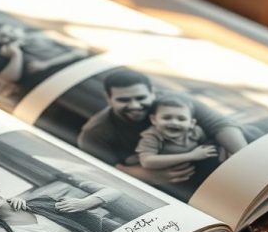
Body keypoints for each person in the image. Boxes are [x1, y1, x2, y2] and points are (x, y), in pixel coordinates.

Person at [77, 68, 248, 187]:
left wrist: (241, 156)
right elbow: (99, 170)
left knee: (247, 135)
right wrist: (141, 174)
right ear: (108, 98)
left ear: (152, 92)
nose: (135, 105)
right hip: (168, 178)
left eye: (140, 97)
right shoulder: (95, 131)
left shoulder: (173, 101)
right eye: (124, 100)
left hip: (211, 155)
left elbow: (220, 123)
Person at [130, 94, 221, 196]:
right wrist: (191, 155)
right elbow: (147, 162)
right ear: (154, 120)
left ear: (191, 123)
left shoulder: (196, 131)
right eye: (167, 118)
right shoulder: (151, 137)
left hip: (190, 173)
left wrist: (221, 147)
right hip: (162, 180)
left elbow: (207, 143)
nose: (174, 122)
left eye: (181, 119)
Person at [0, 22, 89, 93]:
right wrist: (16, 54)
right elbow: (9, 79)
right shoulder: (13, 52)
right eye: (3, 37)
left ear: (18, 29)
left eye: (11, 31)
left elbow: (80, 51)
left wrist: (47, 64)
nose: (11, 36)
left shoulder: (41, 35)